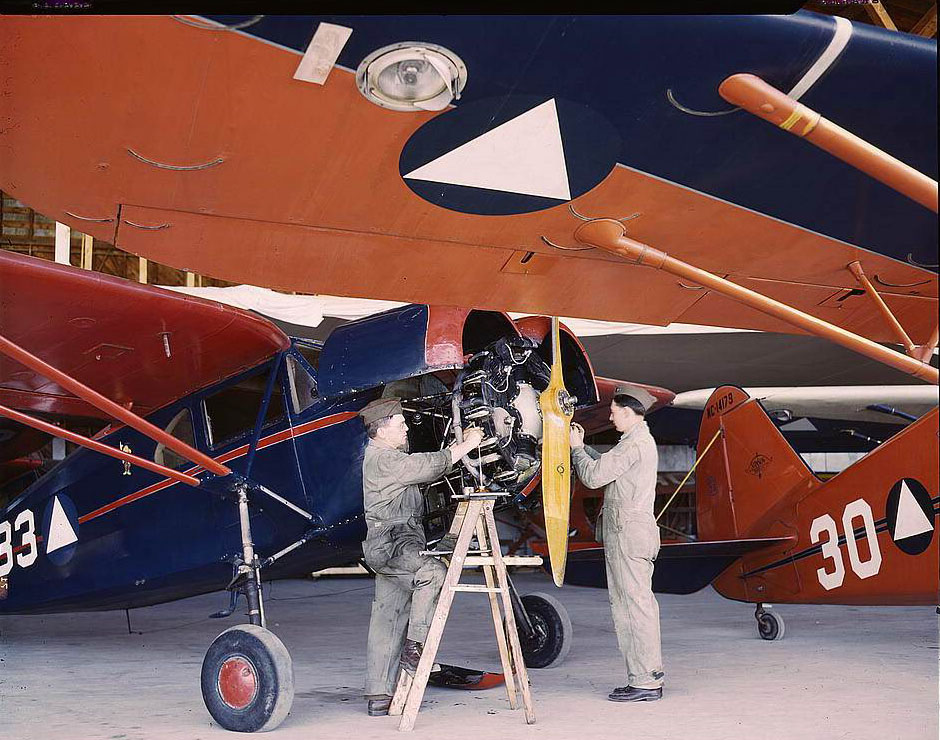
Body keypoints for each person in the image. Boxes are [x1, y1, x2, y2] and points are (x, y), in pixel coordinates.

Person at [359, 396, 485, 716]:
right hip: (391, 545)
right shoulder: (383, 458)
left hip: (397, 543)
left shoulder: (389, 456)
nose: (405, 429)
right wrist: (466, 445)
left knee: (388, 615)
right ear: (381, 430)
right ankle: (416, 650)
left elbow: (424, 472)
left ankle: (378, 694)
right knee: (432, 573)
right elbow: (425, 466)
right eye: (399, 424)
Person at [569, 385, 665, 702]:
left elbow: (595, 477)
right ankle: (642, 678)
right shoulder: (636, 442)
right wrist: (585, 449)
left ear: (627, 411)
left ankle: (646, 682)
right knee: (634, 605)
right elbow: (611, 468)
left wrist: (576, 449)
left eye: (613, 412)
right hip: (632, 531)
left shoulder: (633, 444)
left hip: (628, 533)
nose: (610, 417)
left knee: (634, 607)